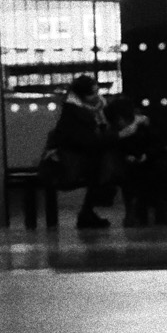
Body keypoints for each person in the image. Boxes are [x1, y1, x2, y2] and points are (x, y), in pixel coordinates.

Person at [48, 74, 119, 229]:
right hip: (69, 161)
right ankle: (90, 209)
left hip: (81, 156)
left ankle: (89, 210)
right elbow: (86, 141)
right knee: (101, 164)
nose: (96, 96)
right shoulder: (74, 113)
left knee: (102, 160)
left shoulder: (94, 109)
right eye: (92, 93)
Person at [103, 93, 162, 226]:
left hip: (140, 162)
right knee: (134, 179)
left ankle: (135, 212)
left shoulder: (123, 128)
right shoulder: (140, 124)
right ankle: (140, 212)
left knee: (131, 181)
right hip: (139, 162)